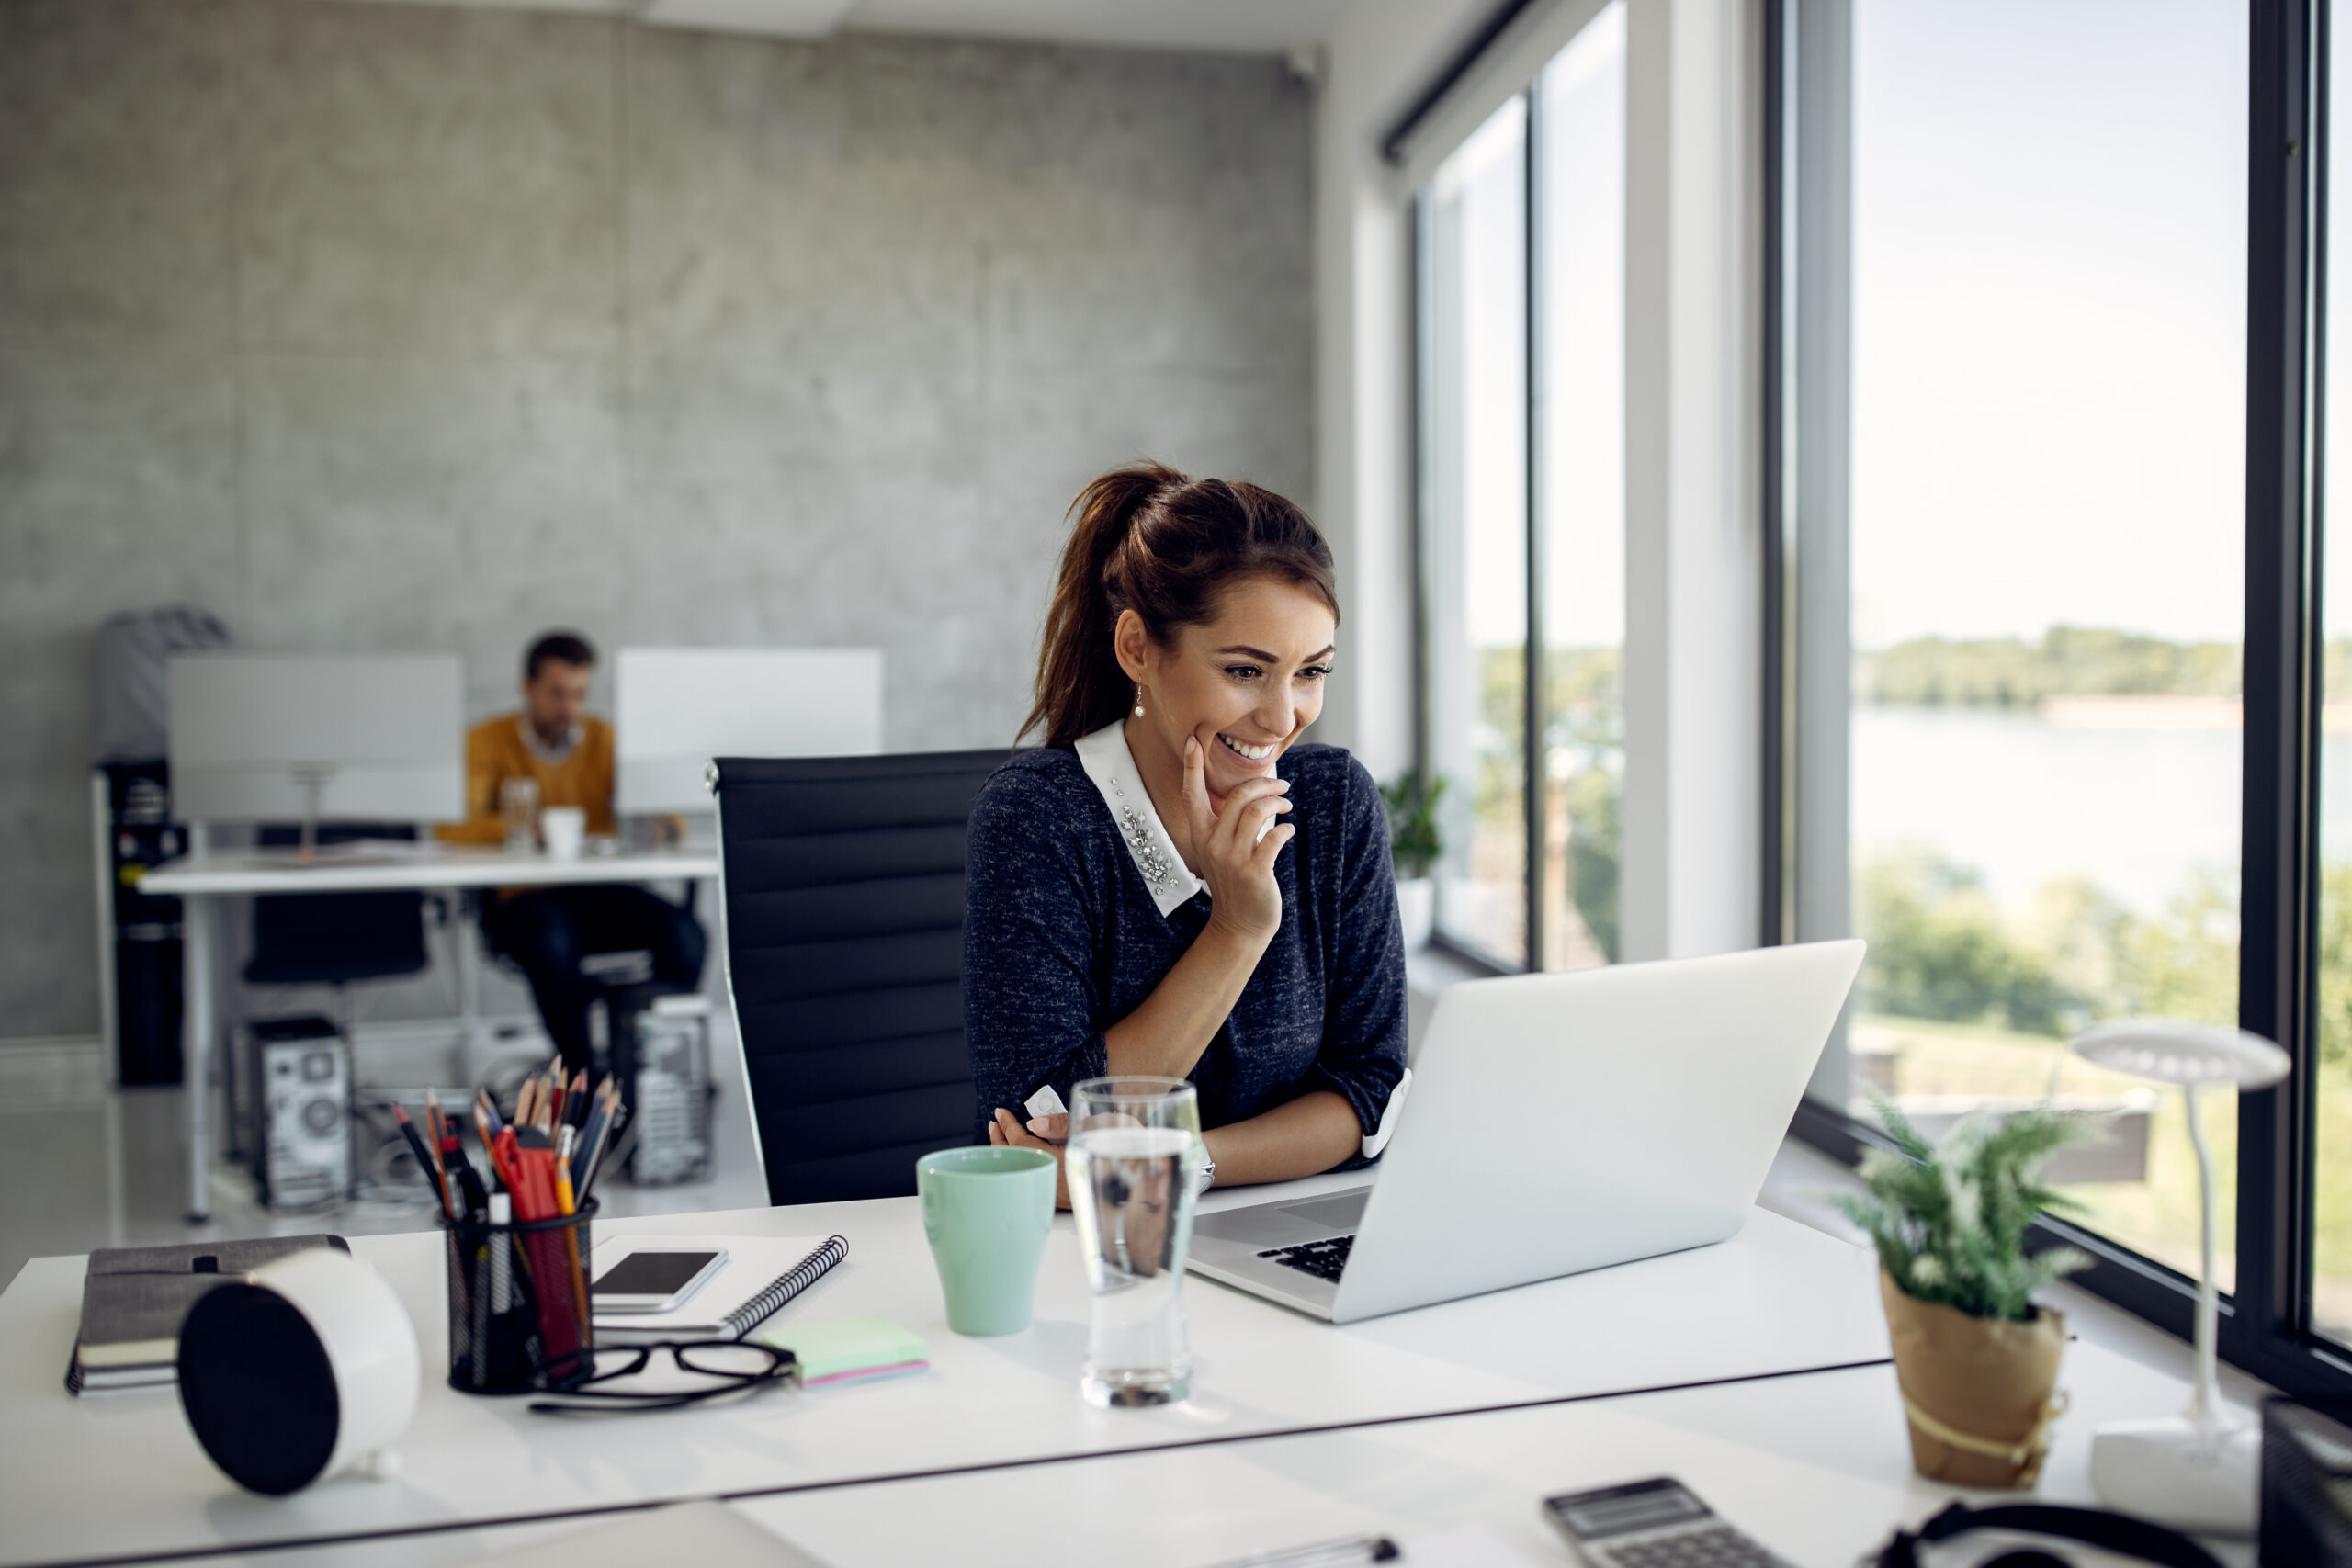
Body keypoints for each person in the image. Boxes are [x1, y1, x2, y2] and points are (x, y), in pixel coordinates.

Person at [965, 463, 1408, 1206]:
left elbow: (1369, 1092)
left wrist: (1176, 1163)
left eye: (1311, 672)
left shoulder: (1333, 806)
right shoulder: (1038, 821)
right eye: (1245, 670)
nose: (1282, 716)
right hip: (1087, 1257)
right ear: (1137, 647)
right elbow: (1048, 1126)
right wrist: (1236, 930)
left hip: (1272, 1224)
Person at [439, 631, 706, 1072]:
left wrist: (658, 824)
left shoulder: (605, 741)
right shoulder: (487, 742)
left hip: (602, 894)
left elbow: (670, 817)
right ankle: (582, 1078)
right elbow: (453, 827)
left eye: (579, 694)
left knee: (687, 936)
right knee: (552, 939)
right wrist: (530, 828)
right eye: (557, 694)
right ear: (528, 688)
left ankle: (644, 1062)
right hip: (525, 900)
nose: (570, 708)